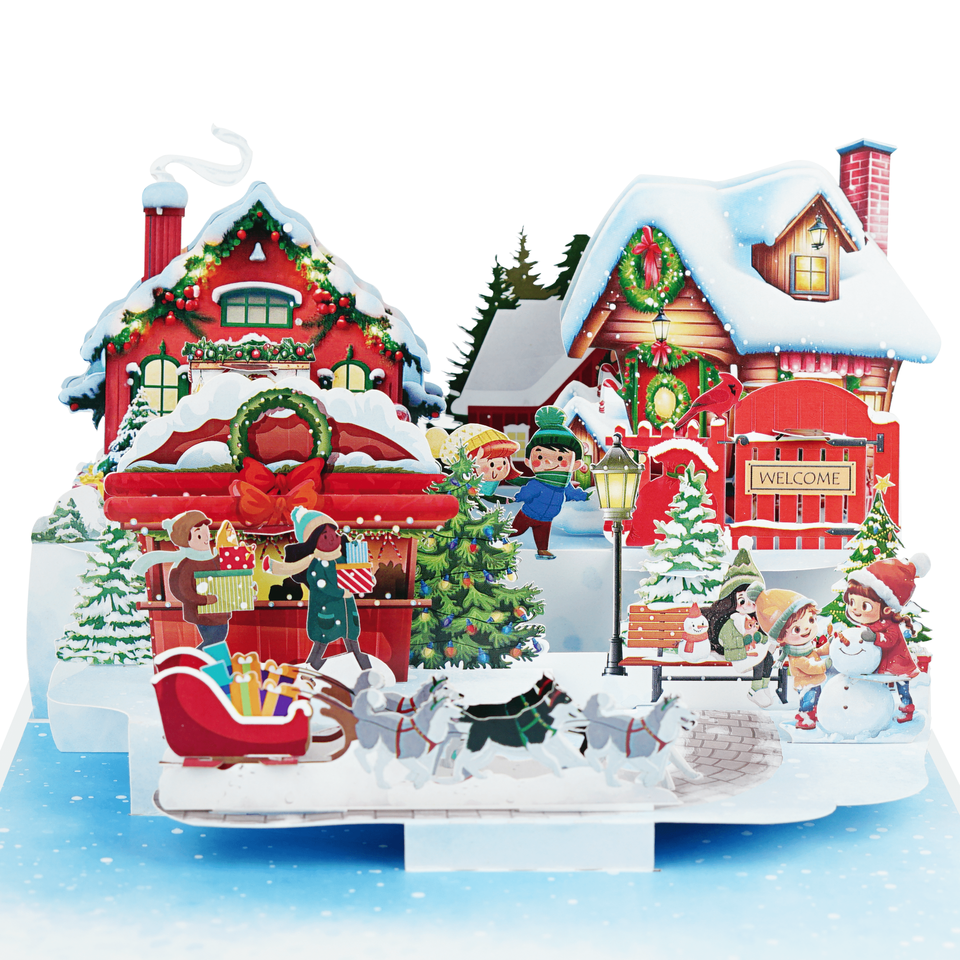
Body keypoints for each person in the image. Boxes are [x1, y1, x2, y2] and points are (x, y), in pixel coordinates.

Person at [270, 506, 370, 672]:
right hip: (326, 611)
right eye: (325, 536)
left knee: (351, 639)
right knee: (321, 643)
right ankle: (309, 670)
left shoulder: (342, 558)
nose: (332, 540)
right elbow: (322, 585)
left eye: (334, 535)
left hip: (346, 611)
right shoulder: (316, 565)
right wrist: (341, 592)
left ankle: (364, 669)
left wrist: (364, 579)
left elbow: (353, 575)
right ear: (313, 541)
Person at [844, 555, 929, 723]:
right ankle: (879, 708)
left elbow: (889, 640)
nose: (855, 610)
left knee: (902, 687)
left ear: (887, 609)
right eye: (852, 602)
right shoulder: (869, 623)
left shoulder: (890, 626)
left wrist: (875, 637)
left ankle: (906, 709)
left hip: (897, 664)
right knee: (879, 688)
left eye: (865, 605)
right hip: (881, 663)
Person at [132, 509, 233, 650]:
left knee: (218, 640)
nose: (205, 539)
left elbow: (229, 580)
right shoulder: (186, 565)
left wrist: (247, 588)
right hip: (202, 613)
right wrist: (204, 599)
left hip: (220, 612)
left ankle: (205, 661)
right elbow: (181, 590)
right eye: (199, 536)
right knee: (214, 641)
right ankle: (193, 659)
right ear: (185, 539)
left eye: (207, 535)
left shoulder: (215, 559)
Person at [508, 405, 590, 559]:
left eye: (560, 457)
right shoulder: (538, 483)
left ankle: (542, 550)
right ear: (528, 461)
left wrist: (583, 496)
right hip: (528, 514)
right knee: (516, 530)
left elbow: (571, 492)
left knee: (542, 536)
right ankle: (500, 539)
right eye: (540, 457)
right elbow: (528, 492)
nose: (548, 461)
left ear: (576, 464)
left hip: (547, 518)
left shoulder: (564, 484)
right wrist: (519, 497)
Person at [706, 547, 773, 706]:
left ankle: (763, 686)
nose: (747, 605)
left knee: (768, 658)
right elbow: (726, 640)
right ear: (731, 601)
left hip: (750, 650)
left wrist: (761, 638)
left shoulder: (754, 618)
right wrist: (743, 642)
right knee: (759, 660)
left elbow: (759, 635)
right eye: (742, 600)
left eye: (752, 599)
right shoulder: (731, 621)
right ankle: (755, 690)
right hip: (736, 653)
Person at [756, 589, 830, 730]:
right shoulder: (796, 657)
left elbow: (816, 652)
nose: (807, 628)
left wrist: (830, 646)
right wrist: (825, 664)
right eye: (796, 629)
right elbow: (809, 667)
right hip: (806, 684)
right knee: (808, 704)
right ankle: (805, 719)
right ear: (781, 638)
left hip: (814, 683)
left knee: (816, 701)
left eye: (811, 620)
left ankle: (814, 716)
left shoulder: (807, 648)